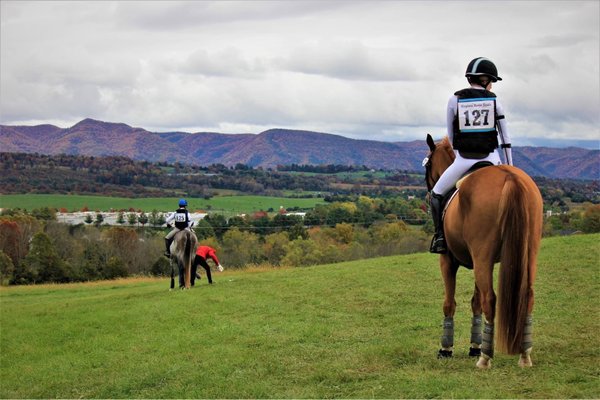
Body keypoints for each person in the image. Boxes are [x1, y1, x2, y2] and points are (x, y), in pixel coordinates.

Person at [430, 57, 513, 254]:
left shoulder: (454, 100)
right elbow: (505, 139)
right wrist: (510, 168)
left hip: (463, 160)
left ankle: (440, 237)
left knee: (436, 194)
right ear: (486, 80)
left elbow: (451, 135)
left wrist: (460, 156)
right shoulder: (495, 102)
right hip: (493, 159)